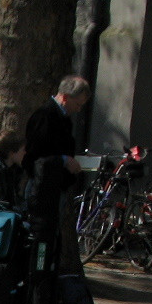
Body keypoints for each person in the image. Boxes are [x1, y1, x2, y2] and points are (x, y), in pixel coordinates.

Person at [22, 75, 91, 272]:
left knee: (50, 236)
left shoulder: (63, 119)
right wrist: (63, 160)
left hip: (54, 186)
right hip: (42, 188)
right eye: (77, 104)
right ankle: (37, 272)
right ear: (66, 97)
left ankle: (44, 271)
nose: (78, 110)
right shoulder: (45, 116)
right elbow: (36, 155)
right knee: (40, 236)